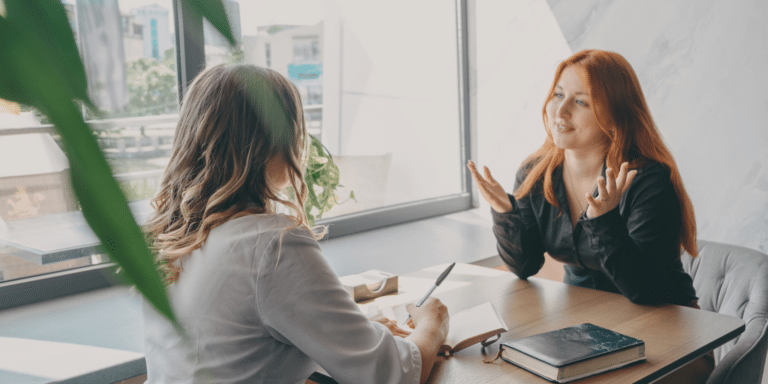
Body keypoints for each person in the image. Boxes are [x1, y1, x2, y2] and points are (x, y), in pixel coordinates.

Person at [142, 64, 449, 384]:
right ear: (269, 141)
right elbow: (393, 375)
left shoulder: (171, 237)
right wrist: (434, 324)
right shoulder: (271, 244)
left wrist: (356, 336)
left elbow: (243, 346)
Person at [468, 49, 712, 383]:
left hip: (669, 329)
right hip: (587, 331)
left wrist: (604, 221)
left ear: (616, 114)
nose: (561, 110)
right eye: (558, 95)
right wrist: (505, 212)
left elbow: (645, 291)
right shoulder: (536, 173)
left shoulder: (648, 181)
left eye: (581, 102)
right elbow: (525, 266)